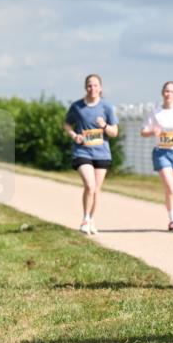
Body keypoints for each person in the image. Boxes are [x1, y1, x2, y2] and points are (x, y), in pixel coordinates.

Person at [63, 74, 118, 235]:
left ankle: (91, 219)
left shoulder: (106, 107)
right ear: (85, 87)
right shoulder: (77, 106)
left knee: (96, 190)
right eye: (89, 85)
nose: (92, 88)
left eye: (95, 85)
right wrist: (74, 135)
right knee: (90, 185)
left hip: (102, 153)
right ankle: (85, 219)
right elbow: (66, 124)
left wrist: (104, 125)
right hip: (82, 151)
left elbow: (114, 132)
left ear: (100, 88)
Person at [141, 81, 173, 232]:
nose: (168, 94)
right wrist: (152, 132)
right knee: (170, 188)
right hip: (161, 152)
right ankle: (172, 221)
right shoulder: (155, 112)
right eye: (166, 91)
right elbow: (143, 131)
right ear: (162, 93)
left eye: (171, 91)